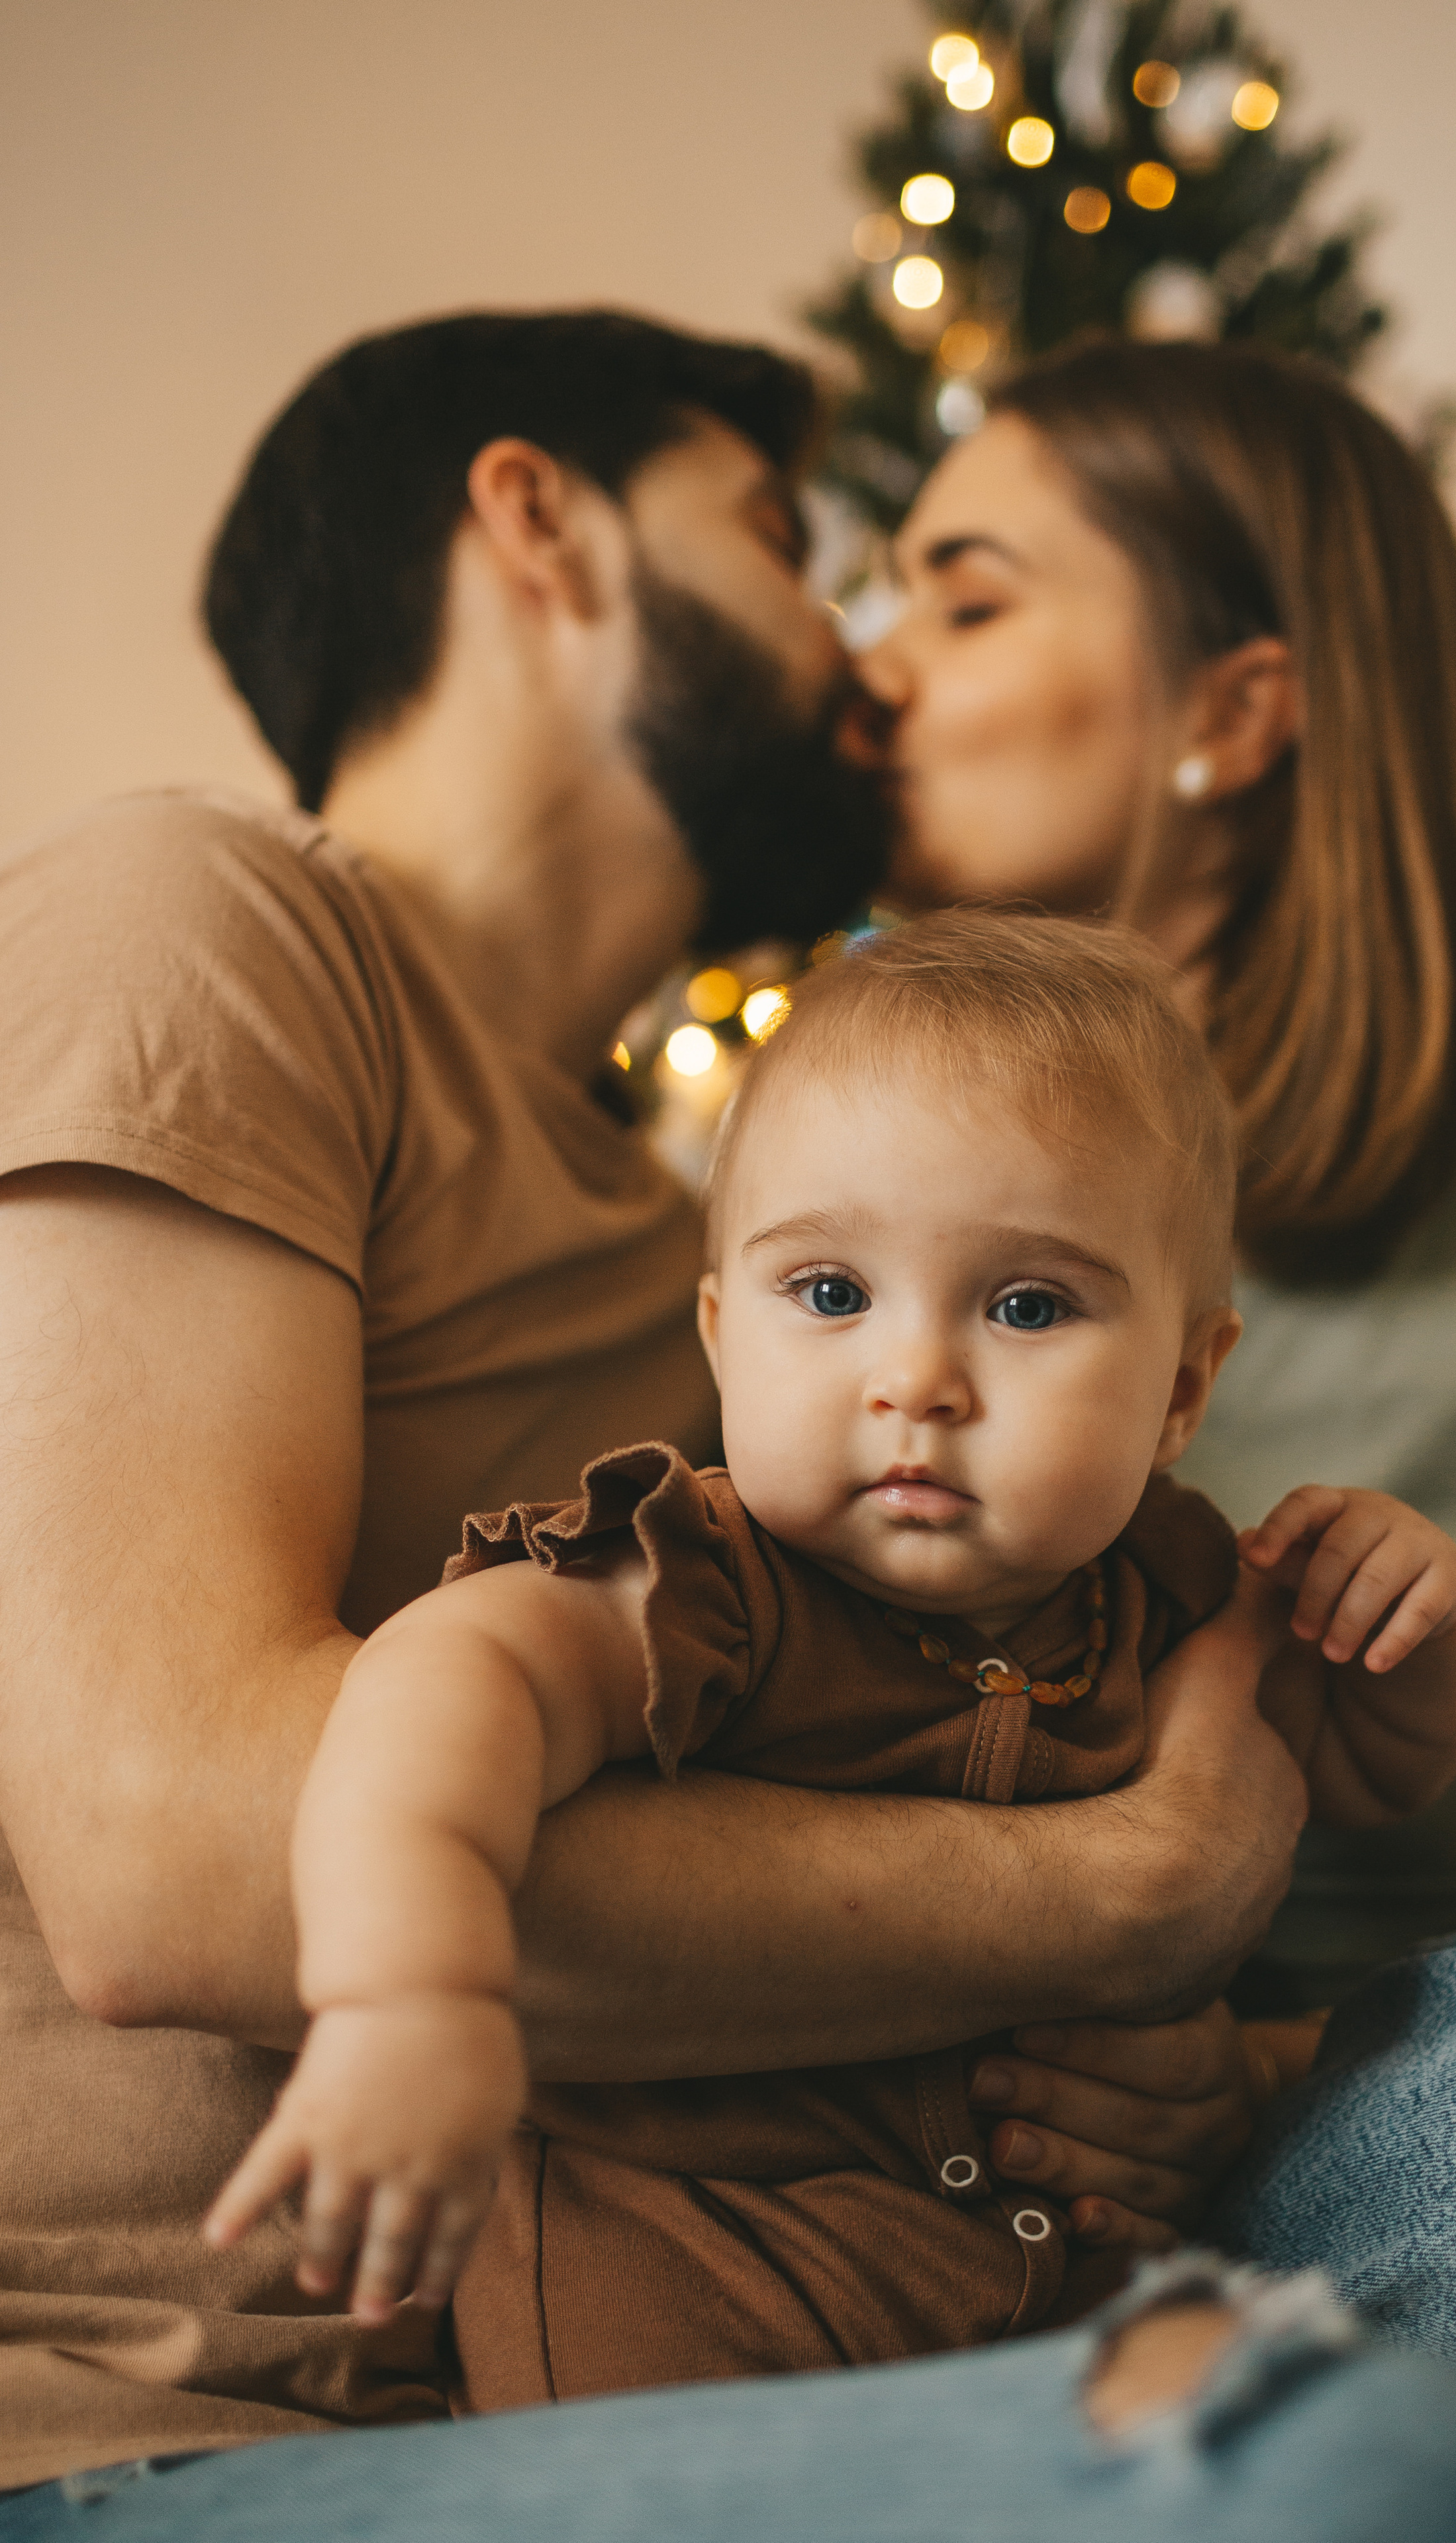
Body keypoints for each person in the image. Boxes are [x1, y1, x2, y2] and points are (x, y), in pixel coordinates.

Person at [0, 311, 1310, 2496]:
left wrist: (1160, 2061)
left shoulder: (720, 1265)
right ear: (546, 527)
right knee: (1368, 2485)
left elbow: (855, 1770)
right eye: (792, 545)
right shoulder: (207, 922)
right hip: (154, 2418)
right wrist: (1119, 1900)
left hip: (664, 2368)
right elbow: (164, 1860)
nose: (870, 655)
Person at [203, 914, 1456, 2400]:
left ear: (1183, 1387)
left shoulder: (1172, 1590)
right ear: (717, 1332)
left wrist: (1411, 1615)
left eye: (1025, 1306)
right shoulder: (707, 1577)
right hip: (690, 2333)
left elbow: (1370, 1766)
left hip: (1060, 2331)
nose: (914, 1382)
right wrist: (408, 1997)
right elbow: (444, 1683)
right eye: (828, 1295)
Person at [858, 335, 1456, 2013]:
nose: (872, 673)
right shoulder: (807, 1167)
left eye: (963, 604)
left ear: (1232, 712)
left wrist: (1248, 2089)